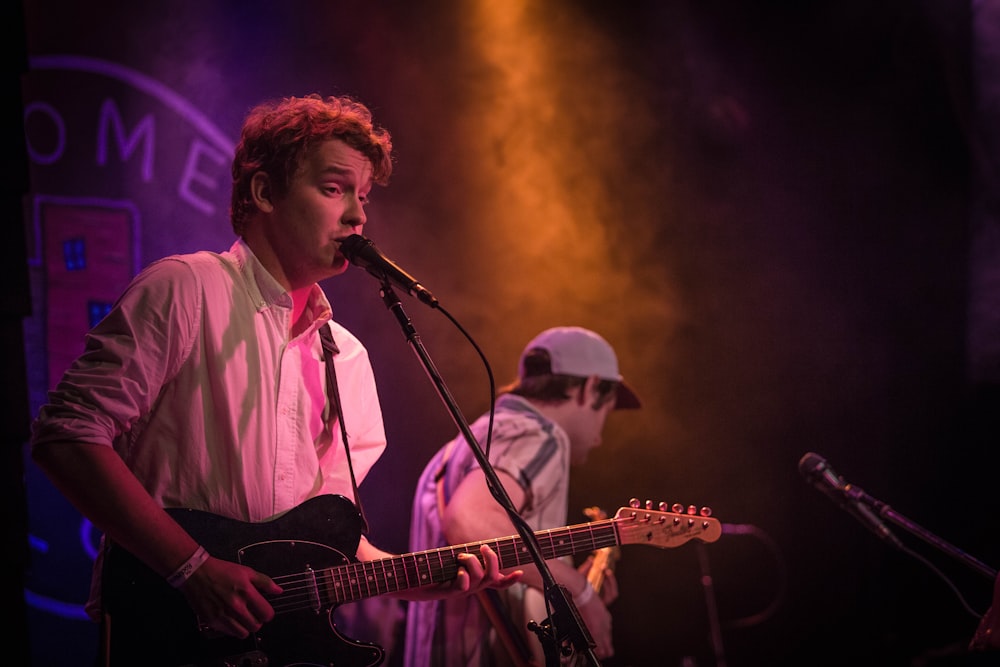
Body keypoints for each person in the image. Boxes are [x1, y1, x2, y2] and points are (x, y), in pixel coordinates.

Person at [29, 93, 520, 665]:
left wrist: (417, 579)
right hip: (165, 630)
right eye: (335, 189)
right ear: (264, 192)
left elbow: (330, 545)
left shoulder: (348, 358)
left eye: (363, 197)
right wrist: (193, 570)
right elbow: (67, 436)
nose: (359, 216)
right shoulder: (188, 289)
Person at [404, 326, 642, 667]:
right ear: (590, 388)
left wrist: (563, 579)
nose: (601, 437)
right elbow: (470, 523)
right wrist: (581, 591)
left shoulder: (458, 448)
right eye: (606, 411)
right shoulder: (542, 435)